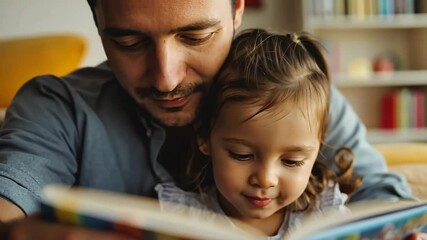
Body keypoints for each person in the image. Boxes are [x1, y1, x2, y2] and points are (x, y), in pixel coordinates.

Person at [0, 0, 414, 239]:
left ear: (236, 10)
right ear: (97, 21)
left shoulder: (296, 96)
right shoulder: (57, 107)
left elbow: (382, 198)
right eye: (130, 42)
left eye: (195, 37)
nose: (167, 78)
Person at [155, 28, 362, 239]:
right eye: (242, 155)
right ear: (204, 137)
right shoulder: (182, 219)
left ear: (318, 148)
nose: (265, 179)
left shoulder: (325, 216)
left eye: (292, 161)